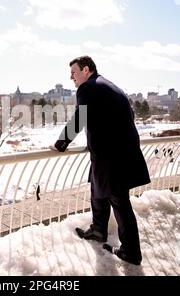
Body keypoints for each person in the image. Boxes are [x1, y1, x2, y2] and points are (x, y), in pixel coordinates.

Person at [50, 56, 150, 266]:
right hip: (121, 154)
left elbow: (79, 118)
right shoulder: (112, 87)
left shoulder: (87, 88)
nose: (71, 78)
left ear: (86, 70)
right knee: (97, 189)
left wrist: (60, 144)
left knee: (120, 203)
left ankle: (131, 252)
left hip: (111, 158)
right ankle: (97, 230)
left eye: (74, 73)